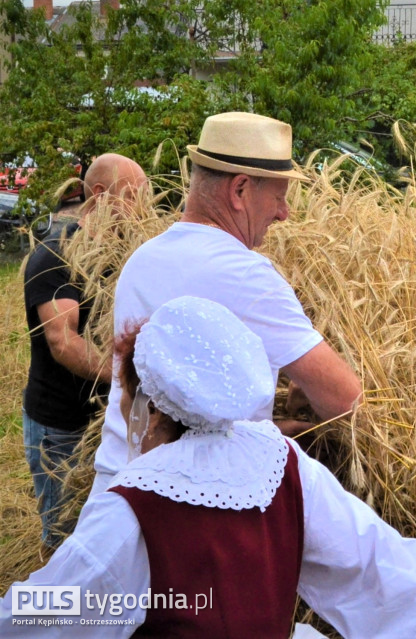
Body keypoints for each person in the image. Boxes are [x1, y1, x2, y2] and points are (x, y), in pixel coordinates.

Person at [1, 296, 416, 638]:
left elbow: (46, 616)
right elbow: (375, 563)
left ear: (150, 407)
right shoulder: (278, 462)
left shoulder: (132, 509)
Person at [88, 112, 363, 499]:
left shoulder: (141, 260)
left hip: (115, 491)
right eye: (279, 196)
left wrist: (265, 426)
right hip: (187, 507)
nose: (284, 212)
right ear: (240, 191)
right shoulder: (245, 274)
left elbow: (166, 394)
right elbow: (345, 399)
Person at [22, 153, 148, 547]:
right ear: (100, 195)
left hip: (107, 425)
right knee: (64, 538)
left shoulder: (123, 255)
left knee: (100, 537)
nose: (143, 207)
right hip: (62, 427)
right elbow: (64, 341)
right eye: (135, 195)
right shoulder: (54, 255)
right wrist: (128, 379)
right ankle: (56, 608)